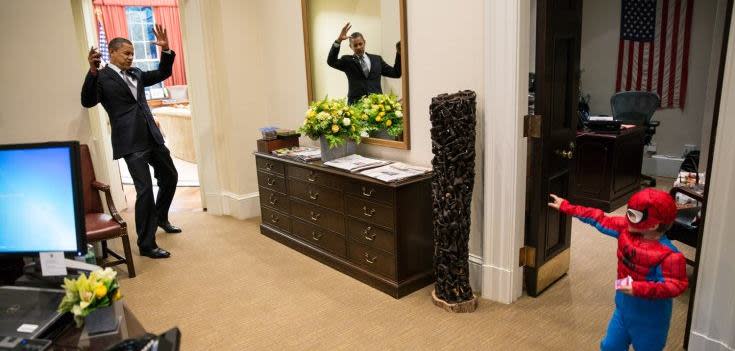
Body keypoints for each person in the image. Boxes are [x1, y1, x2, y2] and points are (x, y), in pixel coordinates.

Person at [81, 24, 181, 259]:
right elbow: (87, 101)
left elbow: (162, 74)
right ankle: (146, 244)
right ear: (113, 52)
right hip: (130, 141)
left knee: (170, 176)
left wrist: (166, 51)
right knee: (144, 189)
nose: (130, 57)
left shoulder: (136, 73)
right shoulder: (102, 78)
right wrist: (92, 72)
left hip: (151, 136)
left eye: (132, 53)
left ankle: (161, 217)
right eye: (126, 53)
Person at [548, 188, 688, 350]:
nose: (627, 218)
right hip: (623, 309)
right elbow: (597, 218)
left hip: (651, 320)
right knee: (610, 346)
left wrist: (637, 288)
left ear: (654, 225)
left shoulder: (670, 256)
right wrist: (567, 207)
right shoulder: (625, 230)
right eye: (628, 212)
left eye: (634, 215)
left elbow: (675, 285)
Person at [327, 22, 401, 105]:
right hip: (356, 106)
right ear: (350, 46)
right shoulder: (347, 61)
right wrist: (338, 40)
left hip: (377, 106)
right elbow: (331, 62)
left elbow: (396, 73)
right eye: (355, 45)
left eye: (360, 44)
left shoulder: (377, 59)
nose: (358, 47)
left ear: (364, 42)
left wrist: (399, 52)